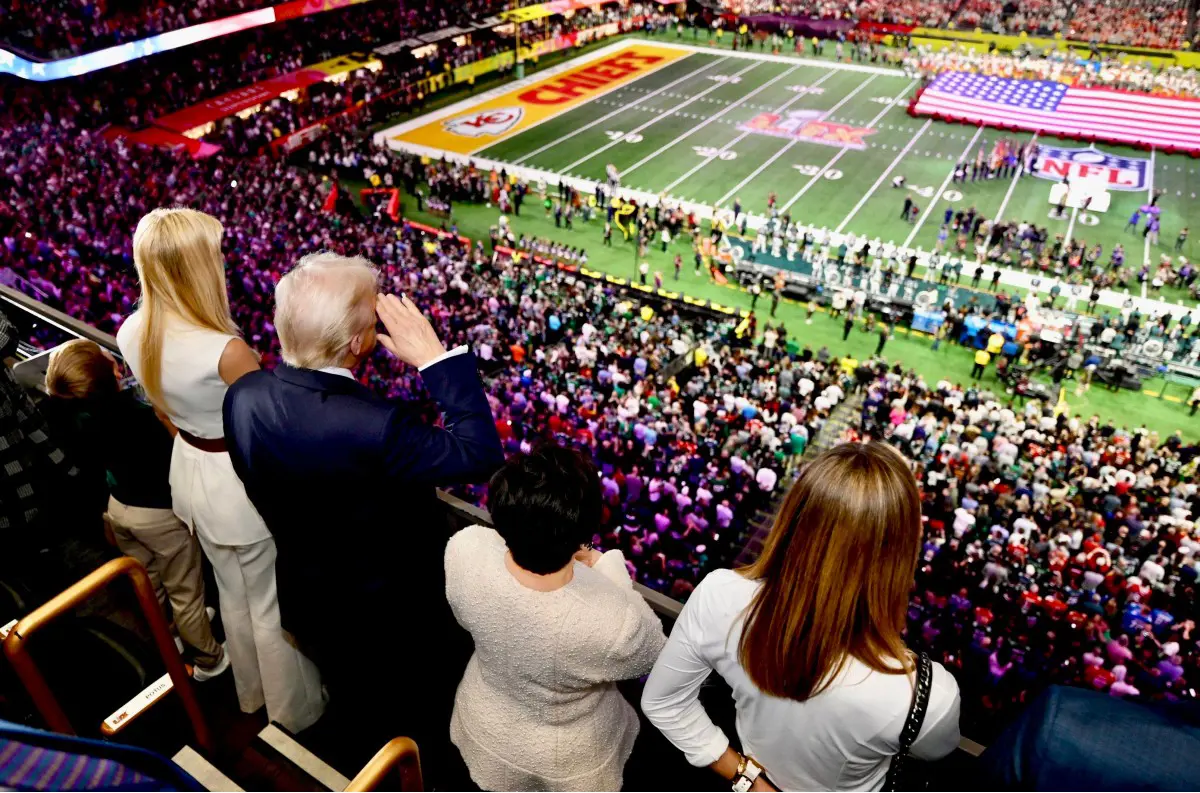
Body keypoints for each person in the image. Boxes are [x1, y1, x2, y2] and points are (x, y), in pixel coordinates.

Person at [222, 252, 503, 776]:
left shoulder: (244, 396)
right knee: (418, 724)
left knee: (355, 707)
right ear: (358, 345)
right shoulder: (375, 425)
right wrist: (435, 361)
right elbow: (480, 453)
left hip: (311, 599)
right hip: (396, 621)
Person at [642, 443, 961, 790]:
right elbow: (937, 750)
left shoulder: (720, 596)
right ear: (900, 557)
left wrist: (747, 779)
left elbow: (663, 701)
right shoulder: (927, 694)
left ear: (794, 519)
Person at [116, 208, 325, 733]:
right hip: (237, 483)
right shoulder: (227, 352)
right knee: (267, 606)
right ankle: (293, 712)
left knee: (230, 593)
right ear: (196, 269)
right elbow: (270, 432)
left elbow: (164, 413)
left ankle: (251, 696)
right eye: (215, 255)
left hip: (190, 468)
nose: (224, 263)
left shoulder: (130, 330)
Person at [445, 446, 667, 790]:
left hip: (483, 720)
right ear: (585, 528)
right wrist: (606, 565)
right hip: (569, 758)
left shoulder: (464, 548)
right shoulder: (615, 621)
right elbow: (653, 652)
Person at [44, 339, 226, 680]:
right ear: (110, 374)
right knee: (186, 591)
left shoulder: (69, 417)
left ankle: (170, 638)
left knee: (150, 585)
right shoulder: (139, 417)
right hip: (157, 514)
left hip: (118, 508)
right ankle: (208, 659)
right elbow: (176, 458)